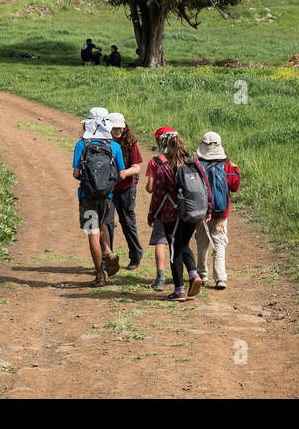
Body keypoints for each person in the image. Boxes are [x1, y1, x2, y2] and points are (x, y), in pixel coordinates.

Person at [144, 128, 209, 300]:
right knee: (184, 244)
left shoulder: (164, 169)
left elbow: (157, 197)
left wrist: (151, 216)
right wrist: (207, 209)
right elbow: (205, 188)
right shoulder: (195, 163)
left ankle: (179, 290)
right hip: (194, 212)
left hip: (172, 216)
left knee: (175, 251)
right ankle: (194, 274)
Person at [73, 107, 127, 286]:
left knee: (92, 232)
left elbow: (76, 173)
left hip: (87, 196)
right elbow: (120, 174)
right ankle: (108, 251)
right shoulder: (114, 146)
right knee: (103, 222)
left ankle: (100, 274)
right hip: (107, 195)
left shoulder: (82, 145)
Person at [193, 131, 240, 290]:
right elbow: (234, 187)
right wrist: (236, 169)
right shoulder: (227, 165)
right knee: (219, 243)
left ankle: (202, 274)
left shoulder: (197, 165)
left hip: (201, 210)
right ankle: (220, 278)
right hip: (221, 212)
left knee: (202, 242)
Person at [106, 112, 144, 270]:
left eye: (121, 127)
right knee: (106, 224)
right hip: (107, 189)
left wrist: (122, 174)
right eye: (115, 127)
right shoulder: (102, 143)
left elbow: (137, 167)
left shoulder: (130, 143)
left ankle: (135, 257)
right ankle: (107, 259)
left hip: (126, 187)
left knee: (128, 222)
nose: (119, 130)